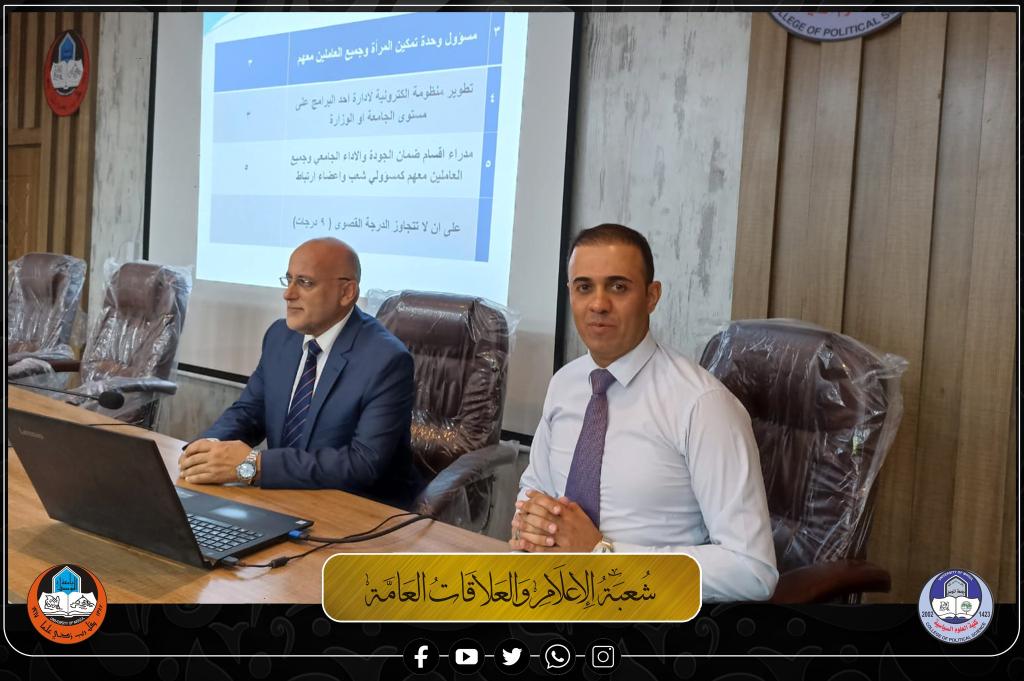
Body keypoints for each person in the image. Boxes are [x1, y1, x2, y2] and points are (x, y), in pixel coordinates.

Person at [511, 224, 778, 601]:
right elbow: (535, 487)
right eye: (584, 287)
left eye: (618, 287)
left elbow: (752, 571)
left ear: (652, 296)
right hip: (551, 596)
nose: (598, 304)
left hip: (648, 615)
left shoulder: (702, 405)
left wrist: (602, 556)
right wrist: (531, 523)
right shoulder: (565, 384)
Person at [178, 237, 421, 508]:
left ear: (346, 292)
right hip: (284, 496)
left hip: (359, 508)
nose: (288, 294)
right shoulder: (280, 336)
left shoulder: (386, 360)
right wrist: (205, 448)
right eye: (289, 279)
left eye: (305, 283)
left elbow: (363, 463)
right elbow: (249, 412)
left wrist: (254, 466)